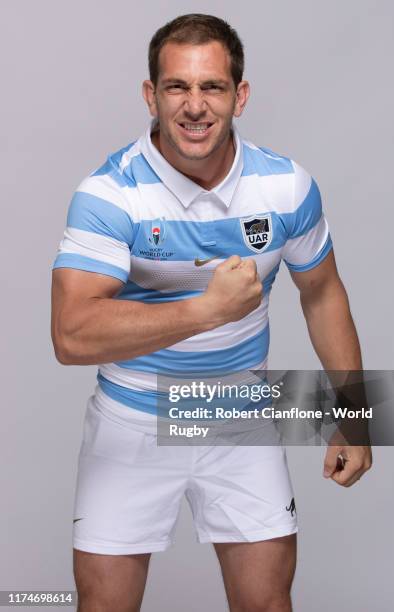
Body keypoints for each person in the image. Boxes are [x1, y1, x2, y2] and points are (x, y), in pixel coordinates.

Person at [51, 13, 372, 612]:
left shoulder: (286, 187)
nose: (194, 106)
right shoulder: (108, 194)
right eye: (177, 87)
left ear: (239, 96)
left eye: (212, 87)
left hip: (237, 414)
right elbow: (71, 335)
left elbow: (323, 293)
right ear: (151, 95)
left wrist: (356, 411)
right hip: (132, 418)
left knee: (266, 604)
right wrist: (207, 310)